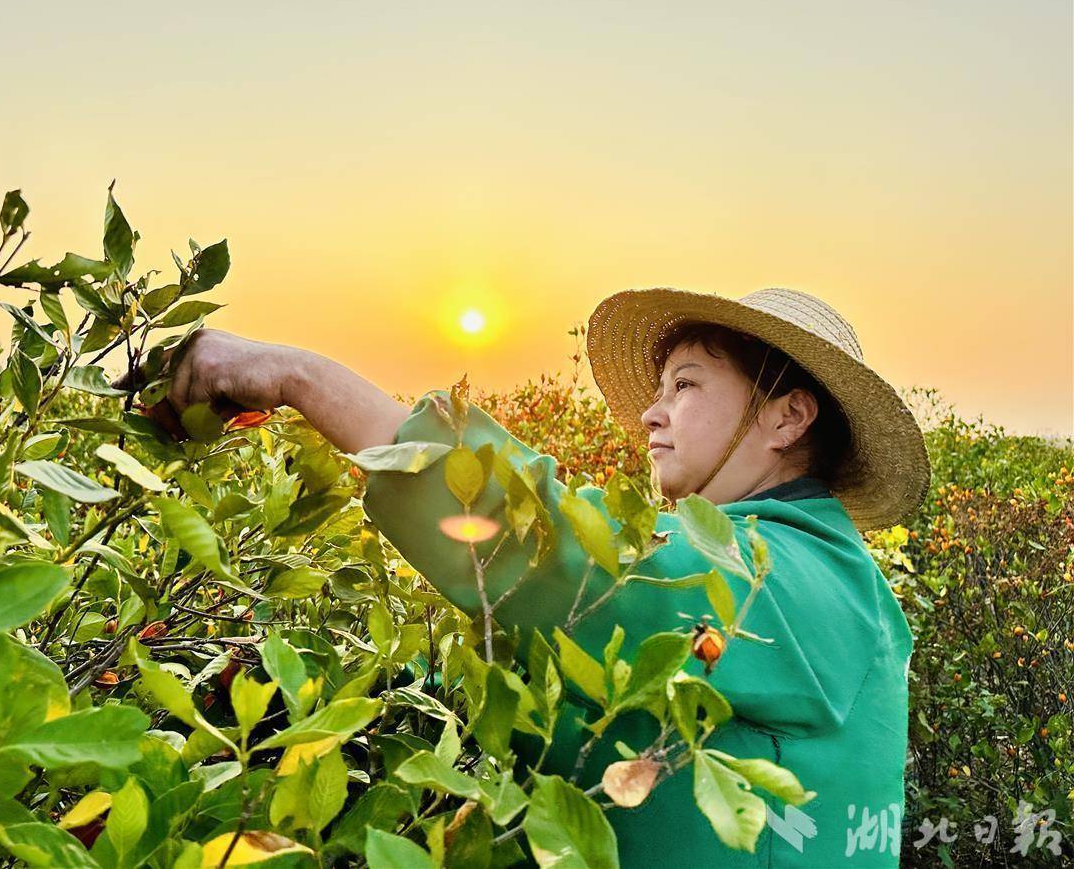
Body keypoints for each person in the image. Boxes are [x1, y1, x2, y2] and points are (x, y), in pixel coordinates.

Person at [139, 286, 929, 868]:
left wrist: (299, 378)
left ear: (787, 419)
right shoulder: (754, 555)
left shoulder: (805, 579)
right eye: (658, 392)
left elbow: (565, 561)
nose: (652, 414)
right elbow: (558, 686)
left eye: (684, 386)